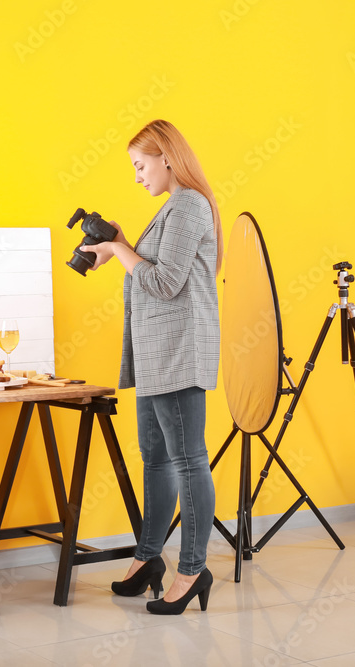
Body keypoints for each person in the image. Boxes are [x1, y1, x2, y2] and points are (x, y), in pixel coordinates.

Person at [80, 119, 221, 615]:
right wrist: (120, 243)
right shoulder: (170, 210)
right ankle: (147, 560)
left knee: (187, 460)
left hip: (180, 353)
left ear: (166, 156)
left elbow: (164, 284)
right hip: (158, 354)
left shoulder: (188, 206)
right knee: (156, 459)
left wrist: (119, 250)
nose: (138, 176)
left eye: (140, 165)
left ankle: (192, 569)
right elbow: (157, 272)